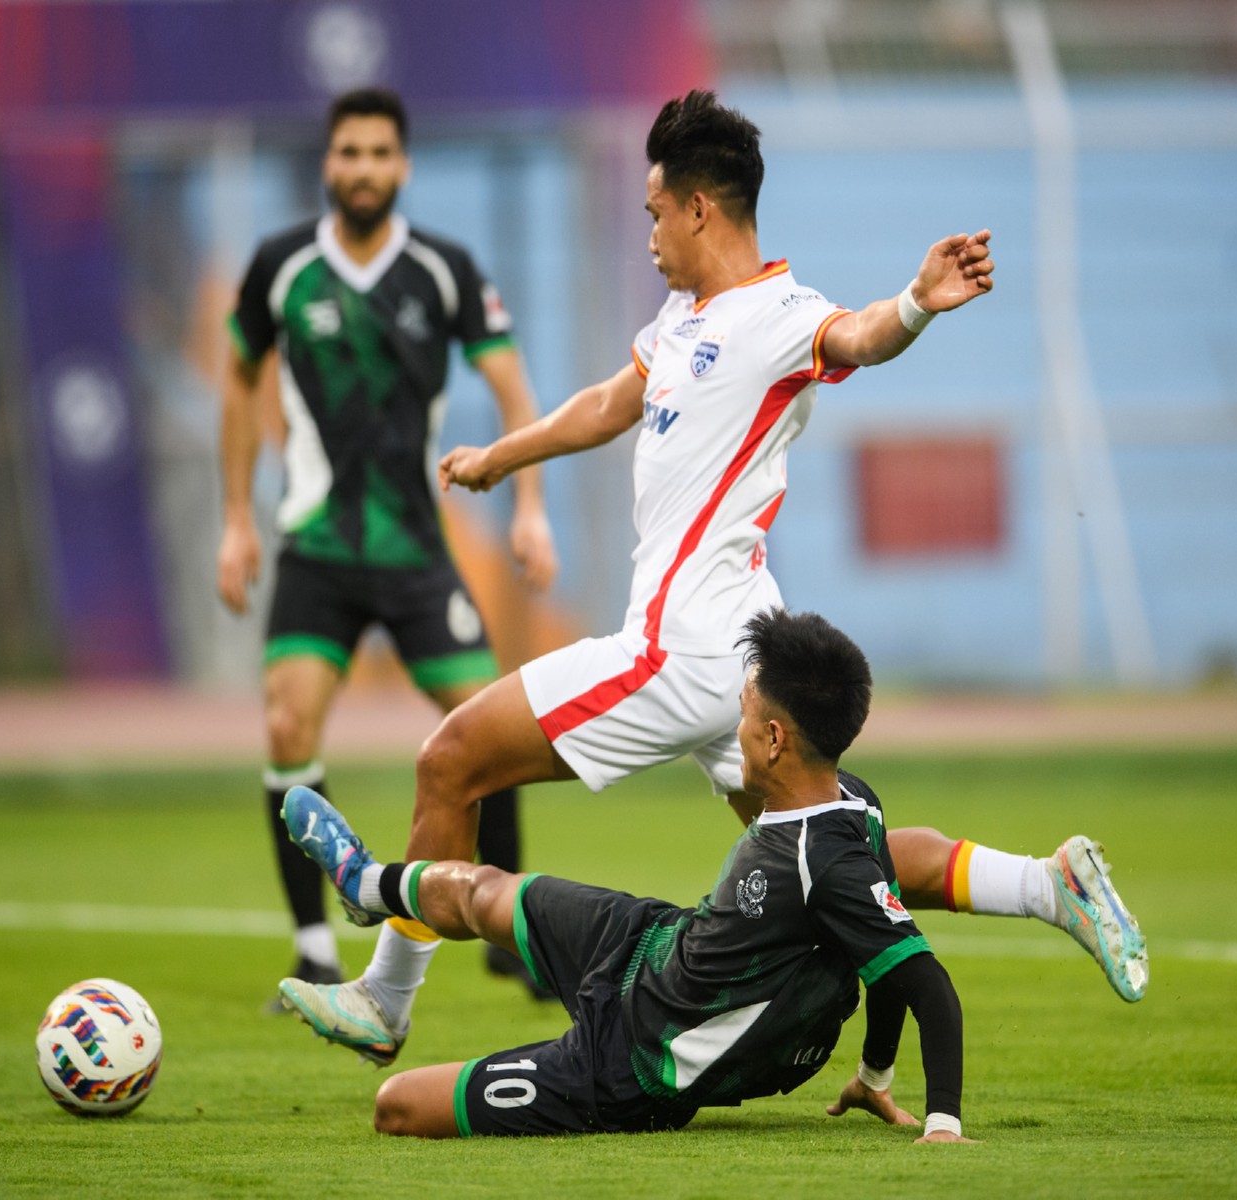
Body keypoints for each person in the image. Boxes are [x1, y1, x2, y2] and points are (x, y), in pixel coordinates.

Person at [278, 88, 1146, 1065]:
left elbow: (858, 335)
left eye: (654, 212)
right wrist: (504, 456)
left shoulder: (783, 316)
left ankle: (386, 1002)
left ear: (699, 208)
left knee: (448, 761)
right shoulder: (683, 315)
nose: (647, 233)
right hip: (742, 652)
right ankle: (1044, 883)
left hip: (676, 652)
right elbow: (612, 399)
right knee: (829, 851)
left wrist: (915, 303)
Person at [283, 608, 973, 1141]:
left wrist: (943, 1126)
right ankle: (368, 883)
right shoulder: (857, 800)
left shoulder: (823, 857)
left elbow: (925, 986)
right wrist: (875, 1073)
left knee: (395, 1107)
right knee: (483, 886)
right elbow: (885, 948)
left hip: (633, 1062)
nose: (733, 730)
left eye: (742, 714)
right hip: (648, 941)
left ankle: (376, 896)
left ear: (773, 739)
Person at [216, 87, 558, 1005]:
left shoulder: (443, 269)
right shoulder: (281, 267)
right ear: (329, 164)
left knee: (493, 726)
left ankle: (508, 932)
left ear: (402, 167)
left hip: (416, 551)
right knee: (288, 728)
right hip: (317, 551)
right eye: (348, 153)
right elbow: (238, 381)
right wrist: (237, 521)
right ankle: (312, 942)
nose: (362, 169)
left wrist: (531, 508)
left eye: (379, 154)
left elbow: (517, 396)